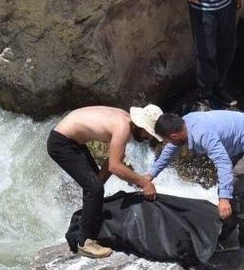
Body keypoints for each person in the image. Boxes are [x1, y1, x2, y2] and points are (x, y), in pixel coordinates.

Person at [148, 111, 244, 249]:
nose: (169, 143)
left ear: (174, 135)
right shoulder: (184, 123)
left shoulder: (202, 134)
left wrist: (224, 199)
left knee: (231, 189)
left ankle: (234, 240)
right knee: (237, 190)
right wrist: (150, 175)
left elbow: (223, 163)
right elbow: (169, 151)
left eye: (168, 140)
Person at [47, 105, 162, 258]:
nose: (149, 138)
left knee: (95, 185)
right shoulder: (123, 127)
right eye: (149, 134)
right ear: (141, 126)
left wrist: (128, 177)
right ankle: (84, 243)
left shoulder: (125, 120)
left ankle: (87, 225)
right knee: (94, 188)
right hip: (61, 143)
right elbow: (115, 166)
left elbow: (111, 163)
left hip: (71, 141)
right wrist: (144, 183)